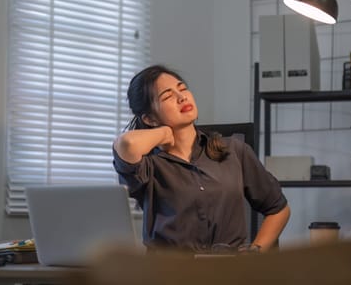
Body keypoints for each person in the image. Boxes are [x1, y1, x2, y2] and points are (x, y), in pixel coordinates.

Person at [113, 65, 290, 253]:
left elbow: (278, 208)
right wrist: (164, 133)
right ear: (149, 119)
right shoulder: (148, 166)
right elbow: (127, 144)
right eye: (167, 96)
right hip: (169, 275)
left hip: (229, 274)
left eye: (182, 88)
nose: (182, 97)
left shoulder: (235, 150)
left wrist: (256, 251)